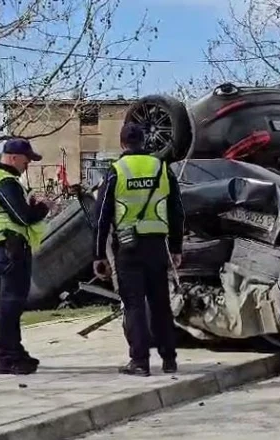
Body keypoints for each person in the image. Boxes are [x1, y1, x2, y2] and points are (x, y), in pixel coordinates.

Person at [93, 123, 185, 377]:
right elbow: (177, 211)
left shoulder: (116, 172)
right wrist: (176, 248)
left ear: (122, 143)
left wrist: (98, 254)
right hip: (157, 246)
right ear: (144, 142)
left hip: (128, 249)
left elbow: (101, 217)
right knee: (160, 304)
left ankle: (140, 362)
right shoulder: (161, 168)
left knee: (134, 305)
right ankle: (169, 359)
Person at [0, 138, 50, 374]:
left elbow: (10, 212)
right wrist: (43, 207)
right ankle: (7, 358)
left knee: (10, 304)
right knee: (11, 305)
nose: (28, 164)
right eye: (26, 159)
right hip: (11, 250)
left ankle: (15, 352)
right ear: (12, 157)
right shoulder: (5, 181)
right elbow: (23, 218)